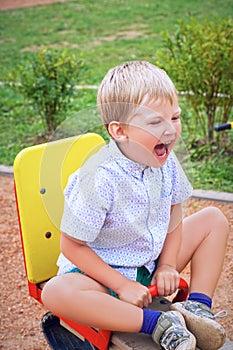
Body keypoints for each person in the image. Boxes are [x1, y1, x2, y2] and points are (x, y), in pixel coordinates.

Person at [41, 61, 229, 350]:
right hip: (102, 278)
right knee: (55, 292)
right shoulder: (98, 179)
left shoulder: (165, 160)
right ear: (119, 131)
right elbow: (72, 246)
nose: (170, 130)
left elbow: (174, 210)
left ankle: (197, 308)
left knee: (213, 220)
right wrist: (121, 285)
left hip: (149, 265)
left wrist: (167, 265)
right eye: (155, 122)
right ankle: (158, 324)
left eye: (175, 117)